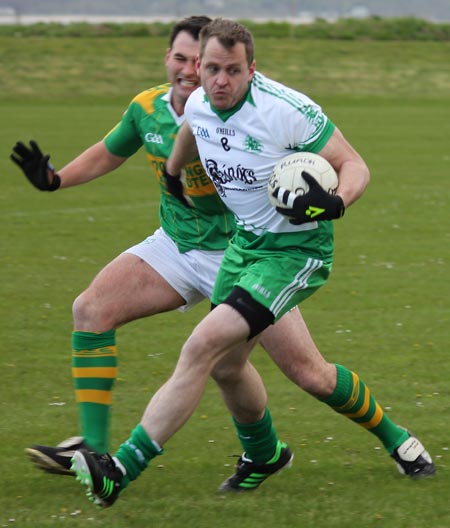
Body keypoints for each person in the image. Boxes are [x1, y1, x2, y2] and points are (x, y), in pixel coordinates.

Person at [18, 17, 427, 508]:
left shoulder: (287, 110)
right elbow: (191, 129)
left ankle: (120, 469)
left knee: (230, 353)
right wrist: (172, 177)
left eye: (231, 70)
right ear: (191, 63)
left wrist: (336, 201)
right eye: (210, 68)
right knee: (231, 367)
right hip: (240, 248)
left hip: (290, 252)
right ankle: (263, 455)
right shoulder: (192, 101)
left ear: (251, 68)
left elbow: (355, 163)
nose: (217, 80)